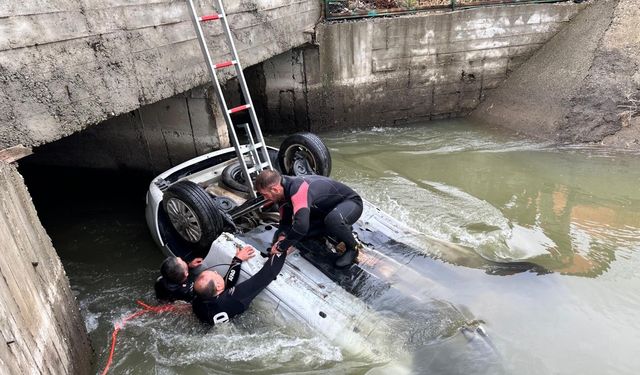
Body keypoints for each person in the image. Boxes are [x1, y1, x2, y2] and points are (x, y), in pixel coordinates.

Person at [255, 169, 363, 268]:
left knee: (331, 221)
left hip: (351, 203)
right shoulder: (281, 192)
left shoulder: (297, 189)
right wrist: (282, 237)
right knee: (300, 235)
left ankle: (352, 249)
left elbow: (301, 227)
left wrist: (281, 247)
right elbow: (285, 223)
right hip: (325, 210)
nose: (265, 198)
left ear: (275, 189)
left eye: (265, 194)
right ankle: (335, 229)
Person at [192, 245, 287, 325]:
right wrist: (282, 249)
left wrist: (237, 260)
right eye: (215, 274)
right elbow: (265, 276)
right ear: (218, 287)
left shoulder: (197, 301)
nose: (216, 272)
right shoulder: (233, 298)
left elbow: (225, 285)